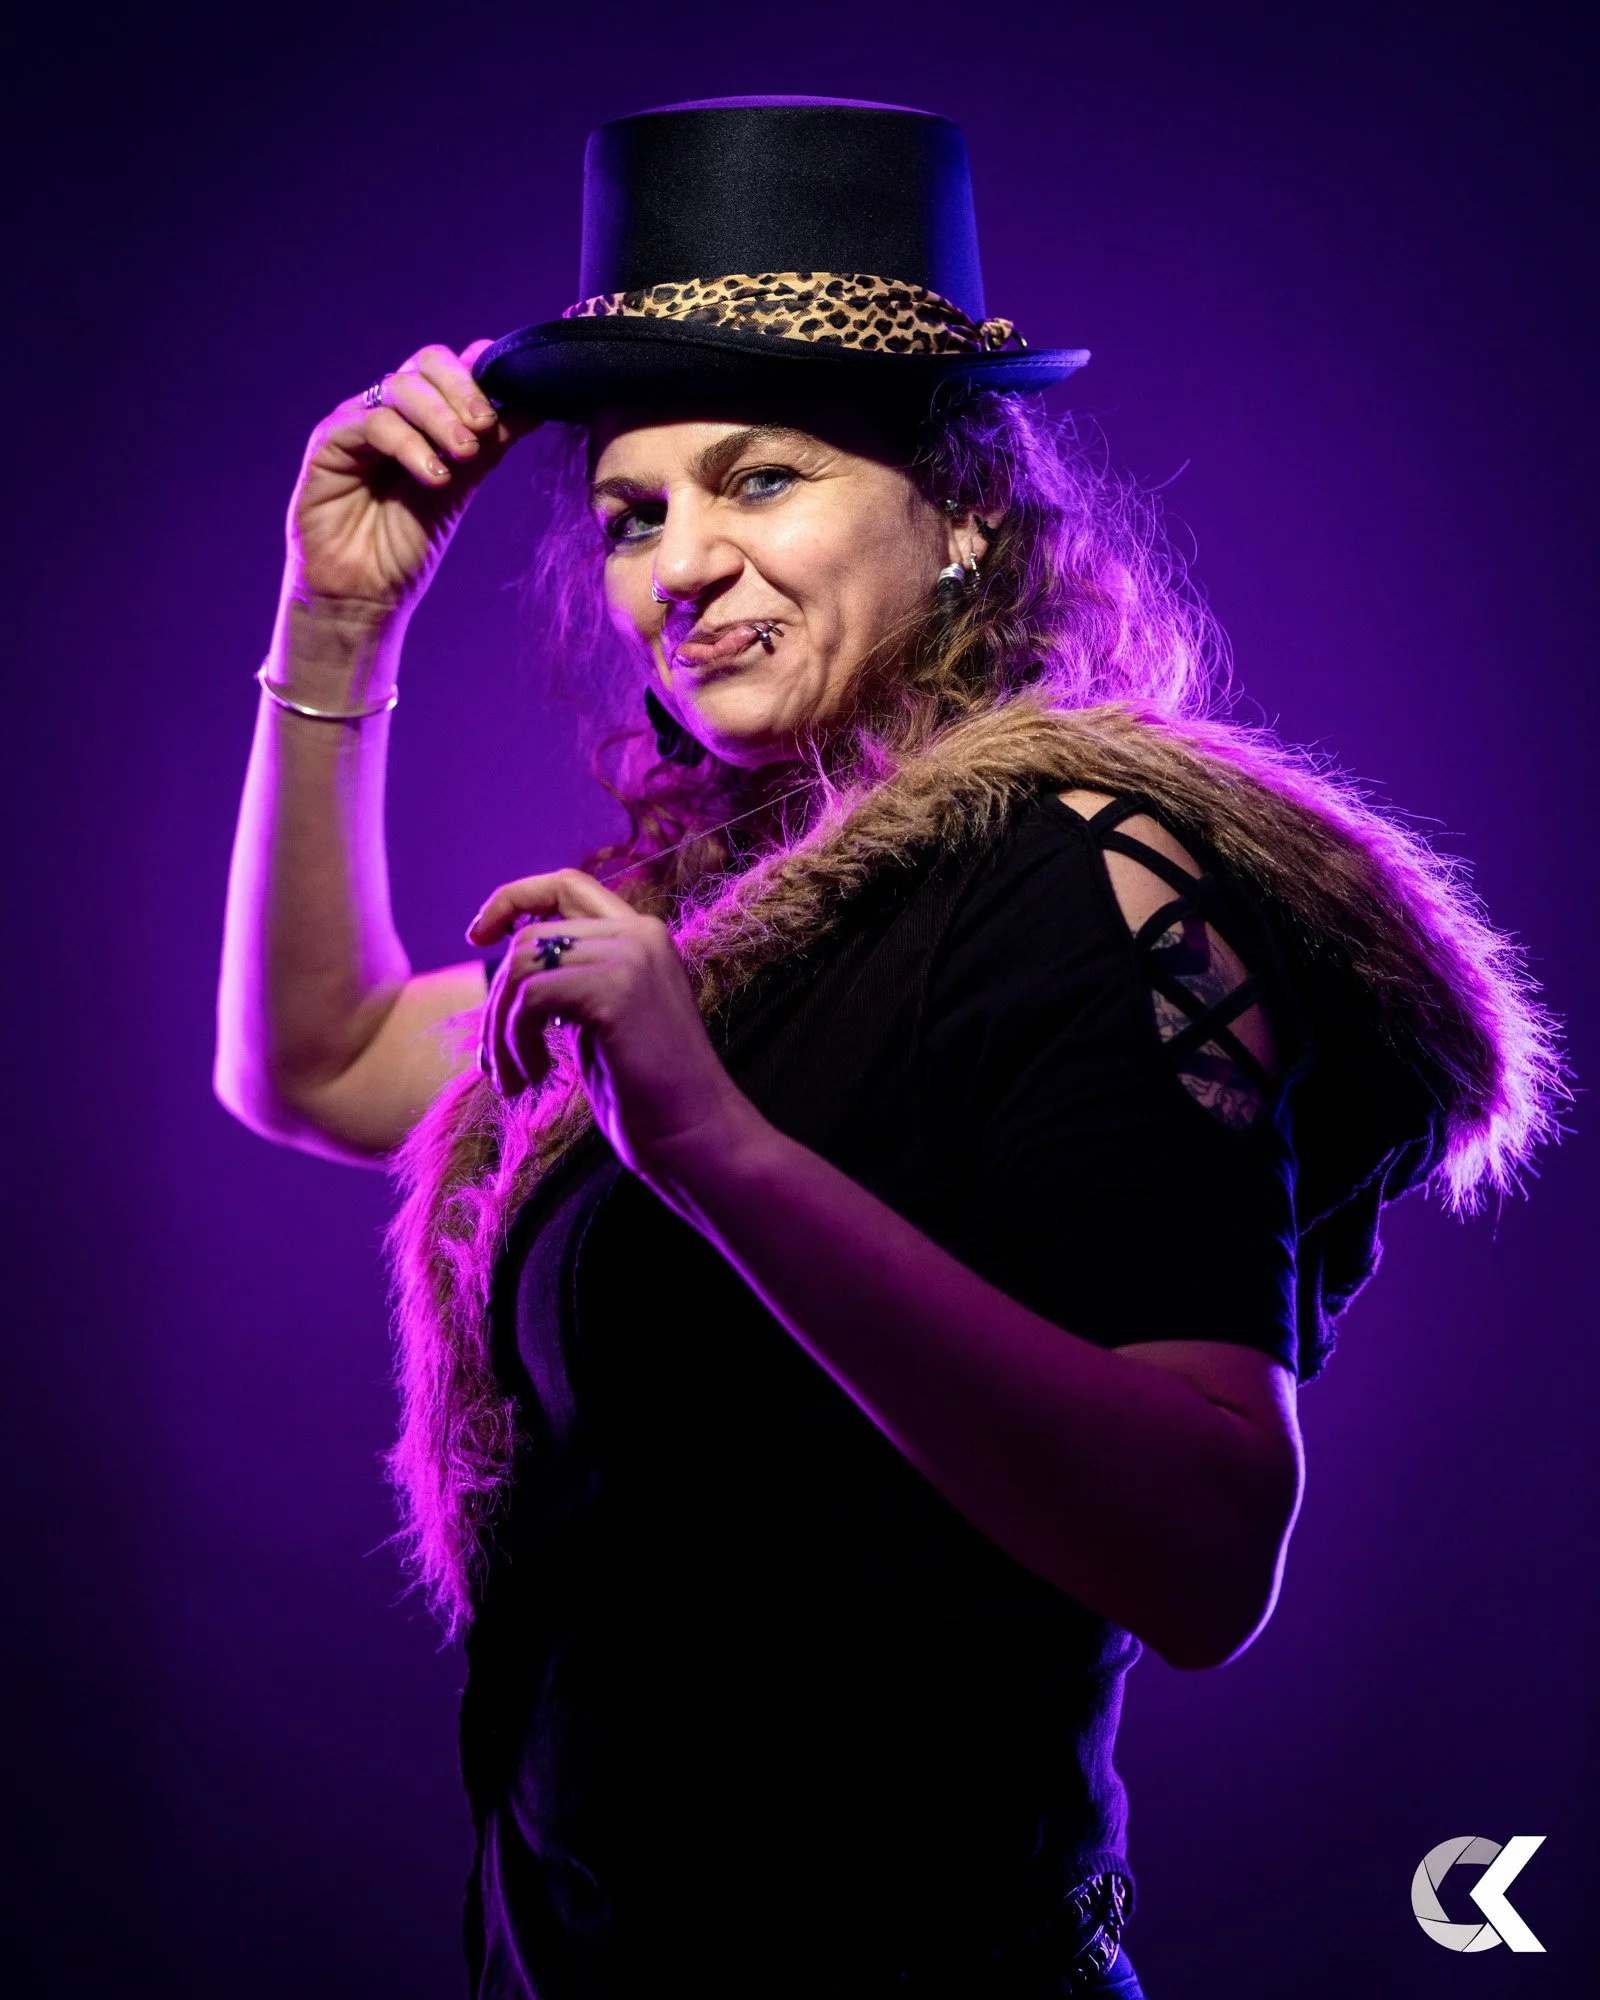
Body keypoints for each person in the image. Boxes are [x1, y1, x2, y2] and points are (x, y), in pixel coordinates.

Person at [215, 98, 1560, 2000]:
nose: (677, 564)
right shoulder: (726, 920)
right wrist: (332, 623)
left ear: (968, 516)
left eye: (760, 479)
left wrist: (718, 1150)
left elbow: (1204, 1546)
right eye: (631, 510)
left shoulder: (1094, 880)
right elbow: (321, 1056)